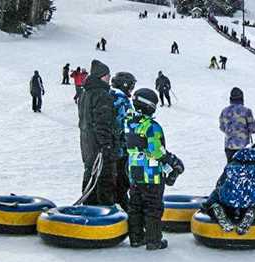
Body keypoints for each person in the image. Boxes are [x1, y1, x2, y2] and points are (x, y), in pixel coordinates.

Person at [125, 88, 183, 250]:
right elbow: (156, 151)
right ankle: (153, 240)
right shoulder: (151, 126)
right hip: (151, 174)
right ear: (149, 106)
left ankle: (136, 238)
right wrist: (173, 161)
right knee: (153, 206)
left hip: (134, 171)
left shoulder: (129, 123)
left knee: (135, 205)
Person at [202, 144, 255, 234]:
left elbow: (219, 186)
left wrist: (207, 204)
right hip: (248, 202)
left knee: (223, 202)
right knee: (252, 207)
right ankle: (250, 213)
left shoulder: (230, 166)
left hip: (228, 201)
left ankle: (219, 211)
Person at [78, 60, 115, 206]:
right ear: (101, 76)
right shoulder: (102, 95)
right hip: (98, 144)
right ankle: (104, 214)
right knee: (104, 178)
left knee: (90, 173)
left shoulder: (85, 94)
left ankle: (88, 206)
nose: (109, 78)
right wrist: (106, 145)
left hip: (86, 142)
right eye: (107, 75)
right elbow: (102, 122)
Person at [110, 72, 137, 211]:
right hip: (121, 147)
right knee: (123, 177)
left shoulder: (111, 95)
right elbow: (125, 124)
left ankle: (119, 199)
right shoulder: (122, 101)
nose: (132, 90)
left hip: (113, 146)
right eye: (131, 86)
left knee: (118, 176)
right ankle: (122, 203)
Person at [219, 88, 255, 163]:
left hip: (229, 147)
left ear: (230, 99)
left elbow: (222, 127)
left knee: (231, 168)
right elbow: (253, 129)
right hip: (243, 147)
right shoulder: (246, 111)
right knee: (243, 169)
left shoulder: (224, 111)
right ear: (242, 98)